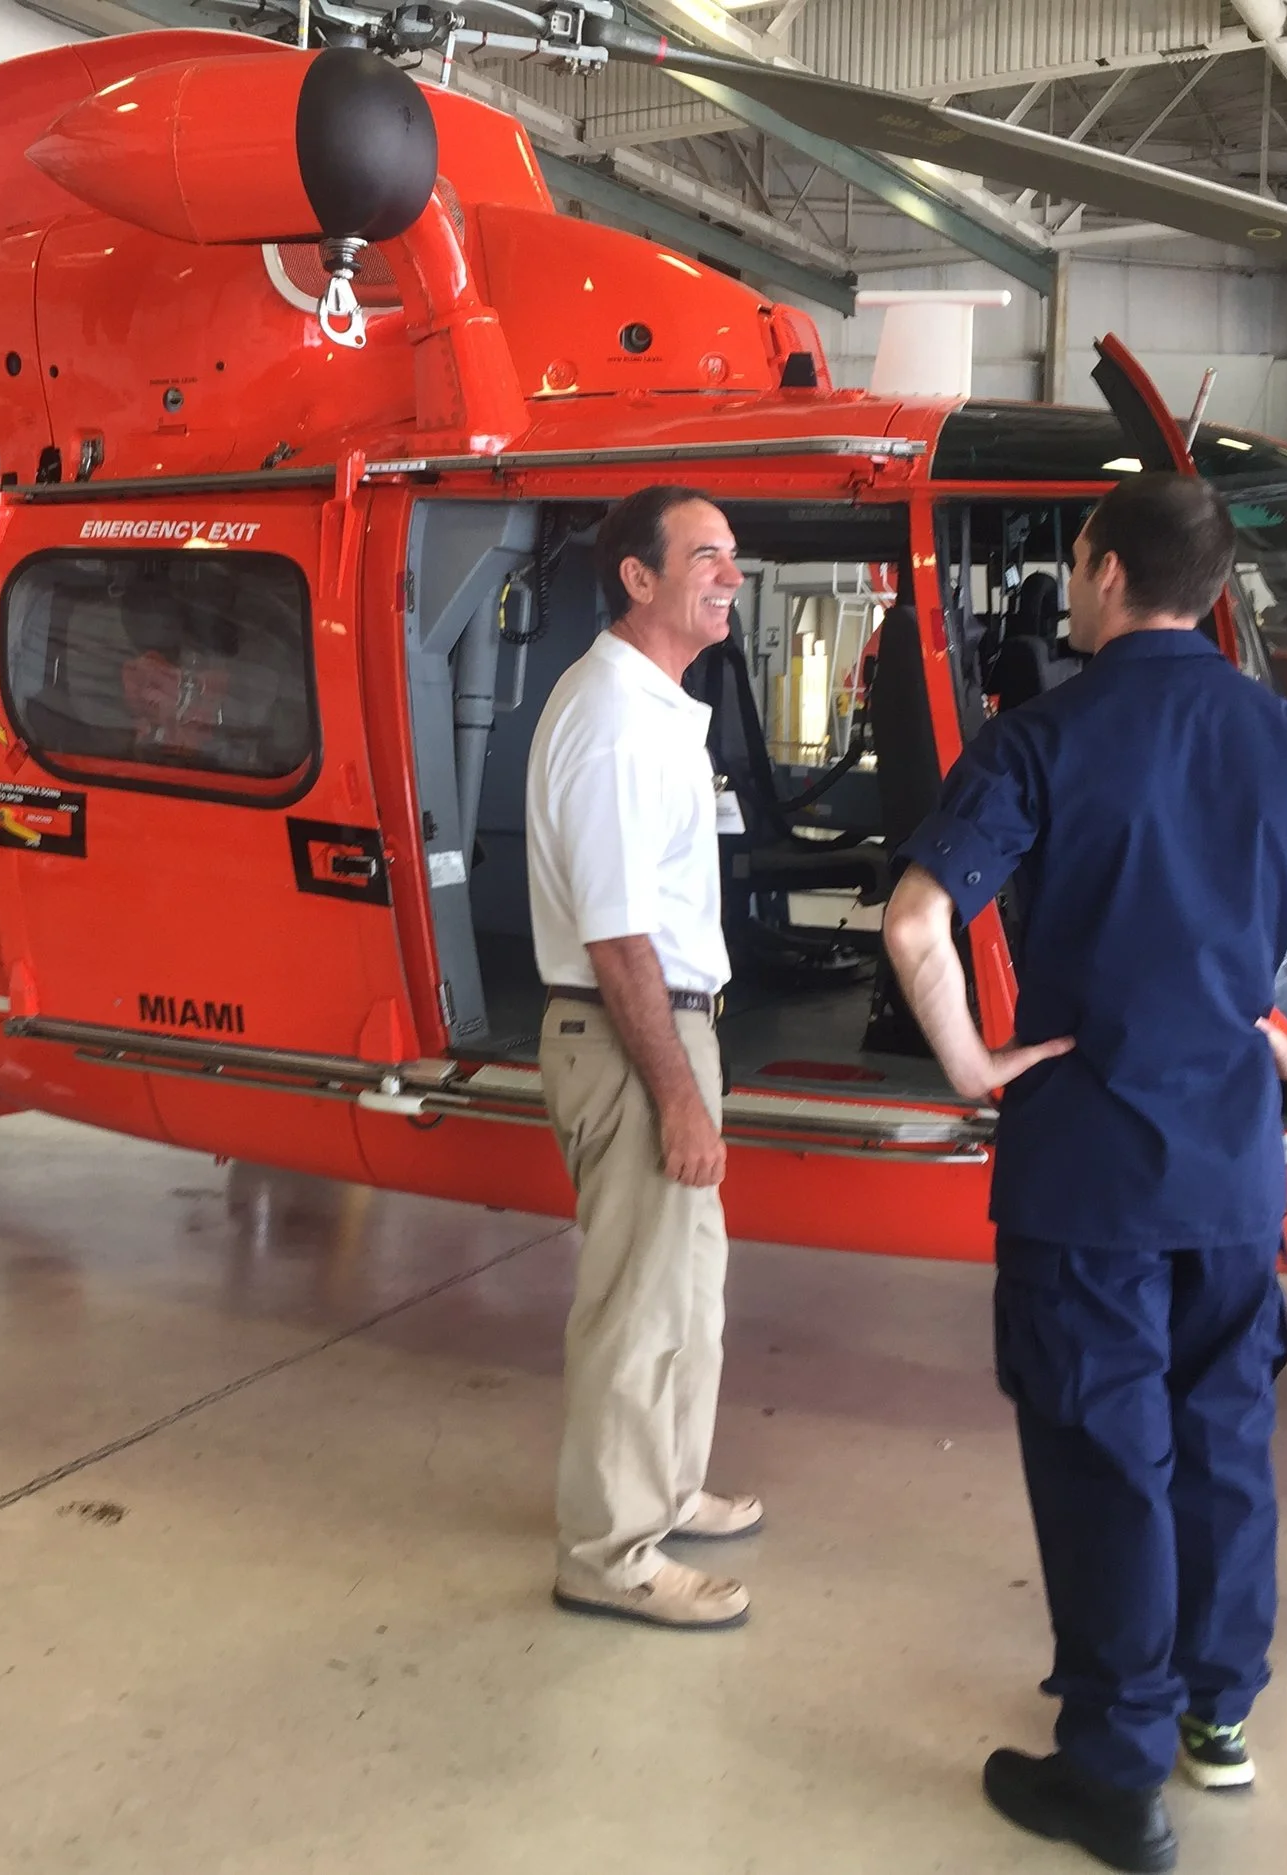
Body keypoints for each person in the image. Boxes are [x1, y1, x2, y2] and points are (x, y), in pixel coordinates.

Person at [882, 473, 1287, 1873]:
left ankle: (1111, 1764)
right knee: (1218, 1436)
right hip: (1229, 1158)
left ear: (1100, 571)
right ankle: (1218, 1708)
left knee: (1106, 1454)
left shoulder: (1037, 739)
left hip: (1083, 1164)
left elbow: (921, 921)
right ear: (1213, 592)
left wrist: (975, 1065)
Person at [526, 485, 764, 1632]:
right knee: (635, 1304)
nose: (732, 575)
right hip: (633, 1034)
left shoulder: (659, 704)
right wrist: (677, 1095)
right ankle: (609, 1552)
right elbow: (615, 933)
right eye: (708, 557)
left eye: (733, 557)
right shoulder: (614, 716)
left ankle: (663, 1491)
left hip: (670, 1023)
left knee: (685, 1293)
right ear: (637, 576)